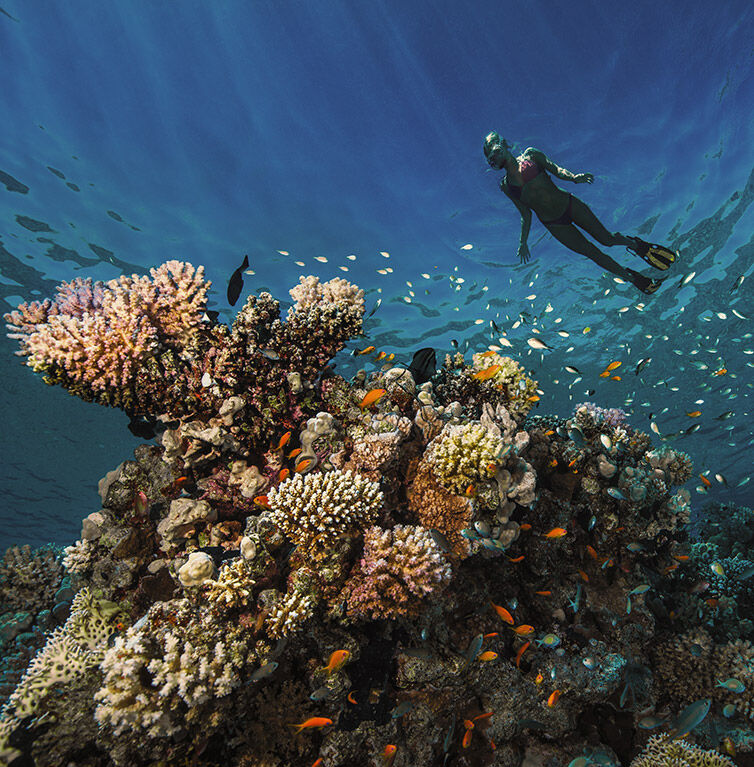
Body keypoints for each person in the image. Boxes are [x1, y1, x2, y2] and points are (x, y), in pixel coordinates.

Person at [483, 131, 673, 294]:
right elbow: (525, 214)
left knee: (607, 239)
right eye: (492, 158)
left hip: (570, 204)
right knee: (592, 253)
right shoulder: (507, 186)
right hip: (555, 224)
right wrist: (522, 242)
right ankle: (632, 278)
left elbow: (556, 169)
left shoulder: (531, 156)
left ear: (504, 145)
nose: (496, 157)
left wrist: (574, 178)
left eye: (496, 150)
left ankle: (636, 244)